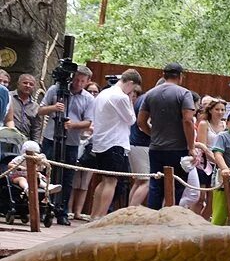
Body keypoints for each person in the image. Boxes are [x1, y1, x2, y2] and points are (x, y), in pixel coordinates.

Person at [37, 64, 96, 226]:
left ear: (87, 81)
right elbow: (40, 110)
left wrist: (73, 125)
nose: (78, 83)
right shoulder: (55, 90)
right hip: (50, 138)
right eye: (76, 79)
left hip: (71, 142)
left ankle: (61, 211)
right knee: (45, 173)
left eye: (82, 81)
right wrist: (53, 108)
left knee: (68, 177)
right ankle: (42, 208)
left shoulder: (89, 98)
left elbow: (89, 122)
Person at [82, 69, 142, 218]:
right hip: (114, 143)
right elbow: (131, 119)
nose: (132, 93)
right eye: (133, 89)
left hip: (101, 142)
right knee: (111, 182)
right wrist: (128, 98)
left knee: (104, 180)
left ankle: (94, 215)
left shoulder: (104, 93)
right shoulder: (120, 97)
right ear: (130, 83)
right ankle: (100, 216)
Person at [138, 62, 197, 209]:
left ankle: (153, 220)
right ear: (181, 76)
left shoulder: (150, 94)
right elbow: (188, 120)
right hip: (178, 149)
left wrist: (153, 134)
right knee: (177, 187)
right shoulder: (184, 93)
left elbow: (140, 121)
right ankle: (170, 220)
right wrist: (191, 146)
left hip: (156, 149)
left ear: (163, 75)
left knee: (156, 186)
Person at [5, 73, 42, 144]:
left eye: (31, 84)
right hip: (6, 138)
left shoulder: (35, 106)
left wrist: (35, 144)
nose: (28, 86)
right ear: (18, 84)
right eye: (25, 83)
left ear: (34, 88)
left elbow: (36, 128)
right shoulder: (8, 97)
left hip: (25, 142)